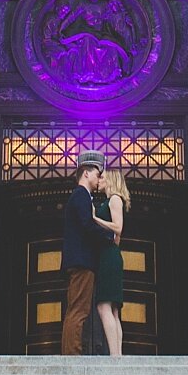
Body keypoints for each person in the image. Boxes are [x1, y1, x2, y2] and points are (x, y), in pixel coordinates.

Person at [59, 152, 109, 355]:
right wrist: (108, 236)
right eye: (97, 173)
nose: (99, 179)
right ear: (86, 173)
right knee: (79, 311)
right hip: (81, 261)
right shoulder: (80, 195)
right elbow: (87, 225)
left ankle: (70, 353)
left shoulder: (81, 196)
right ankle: (72, 355)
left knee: (76, 310)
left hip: (78, 261)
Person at [90, 169, 131, 356]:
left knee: (104, 305)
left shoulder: (115, 199)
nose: (99, 180)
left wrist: (95, 218)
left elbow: (118, 228)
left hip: (109, 257)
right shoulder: (110, 200)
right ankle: (117, 355)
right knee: (113, 310)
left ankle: (115, 356)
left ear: (111, 180)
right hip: (110, 254)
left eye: (103, 178)